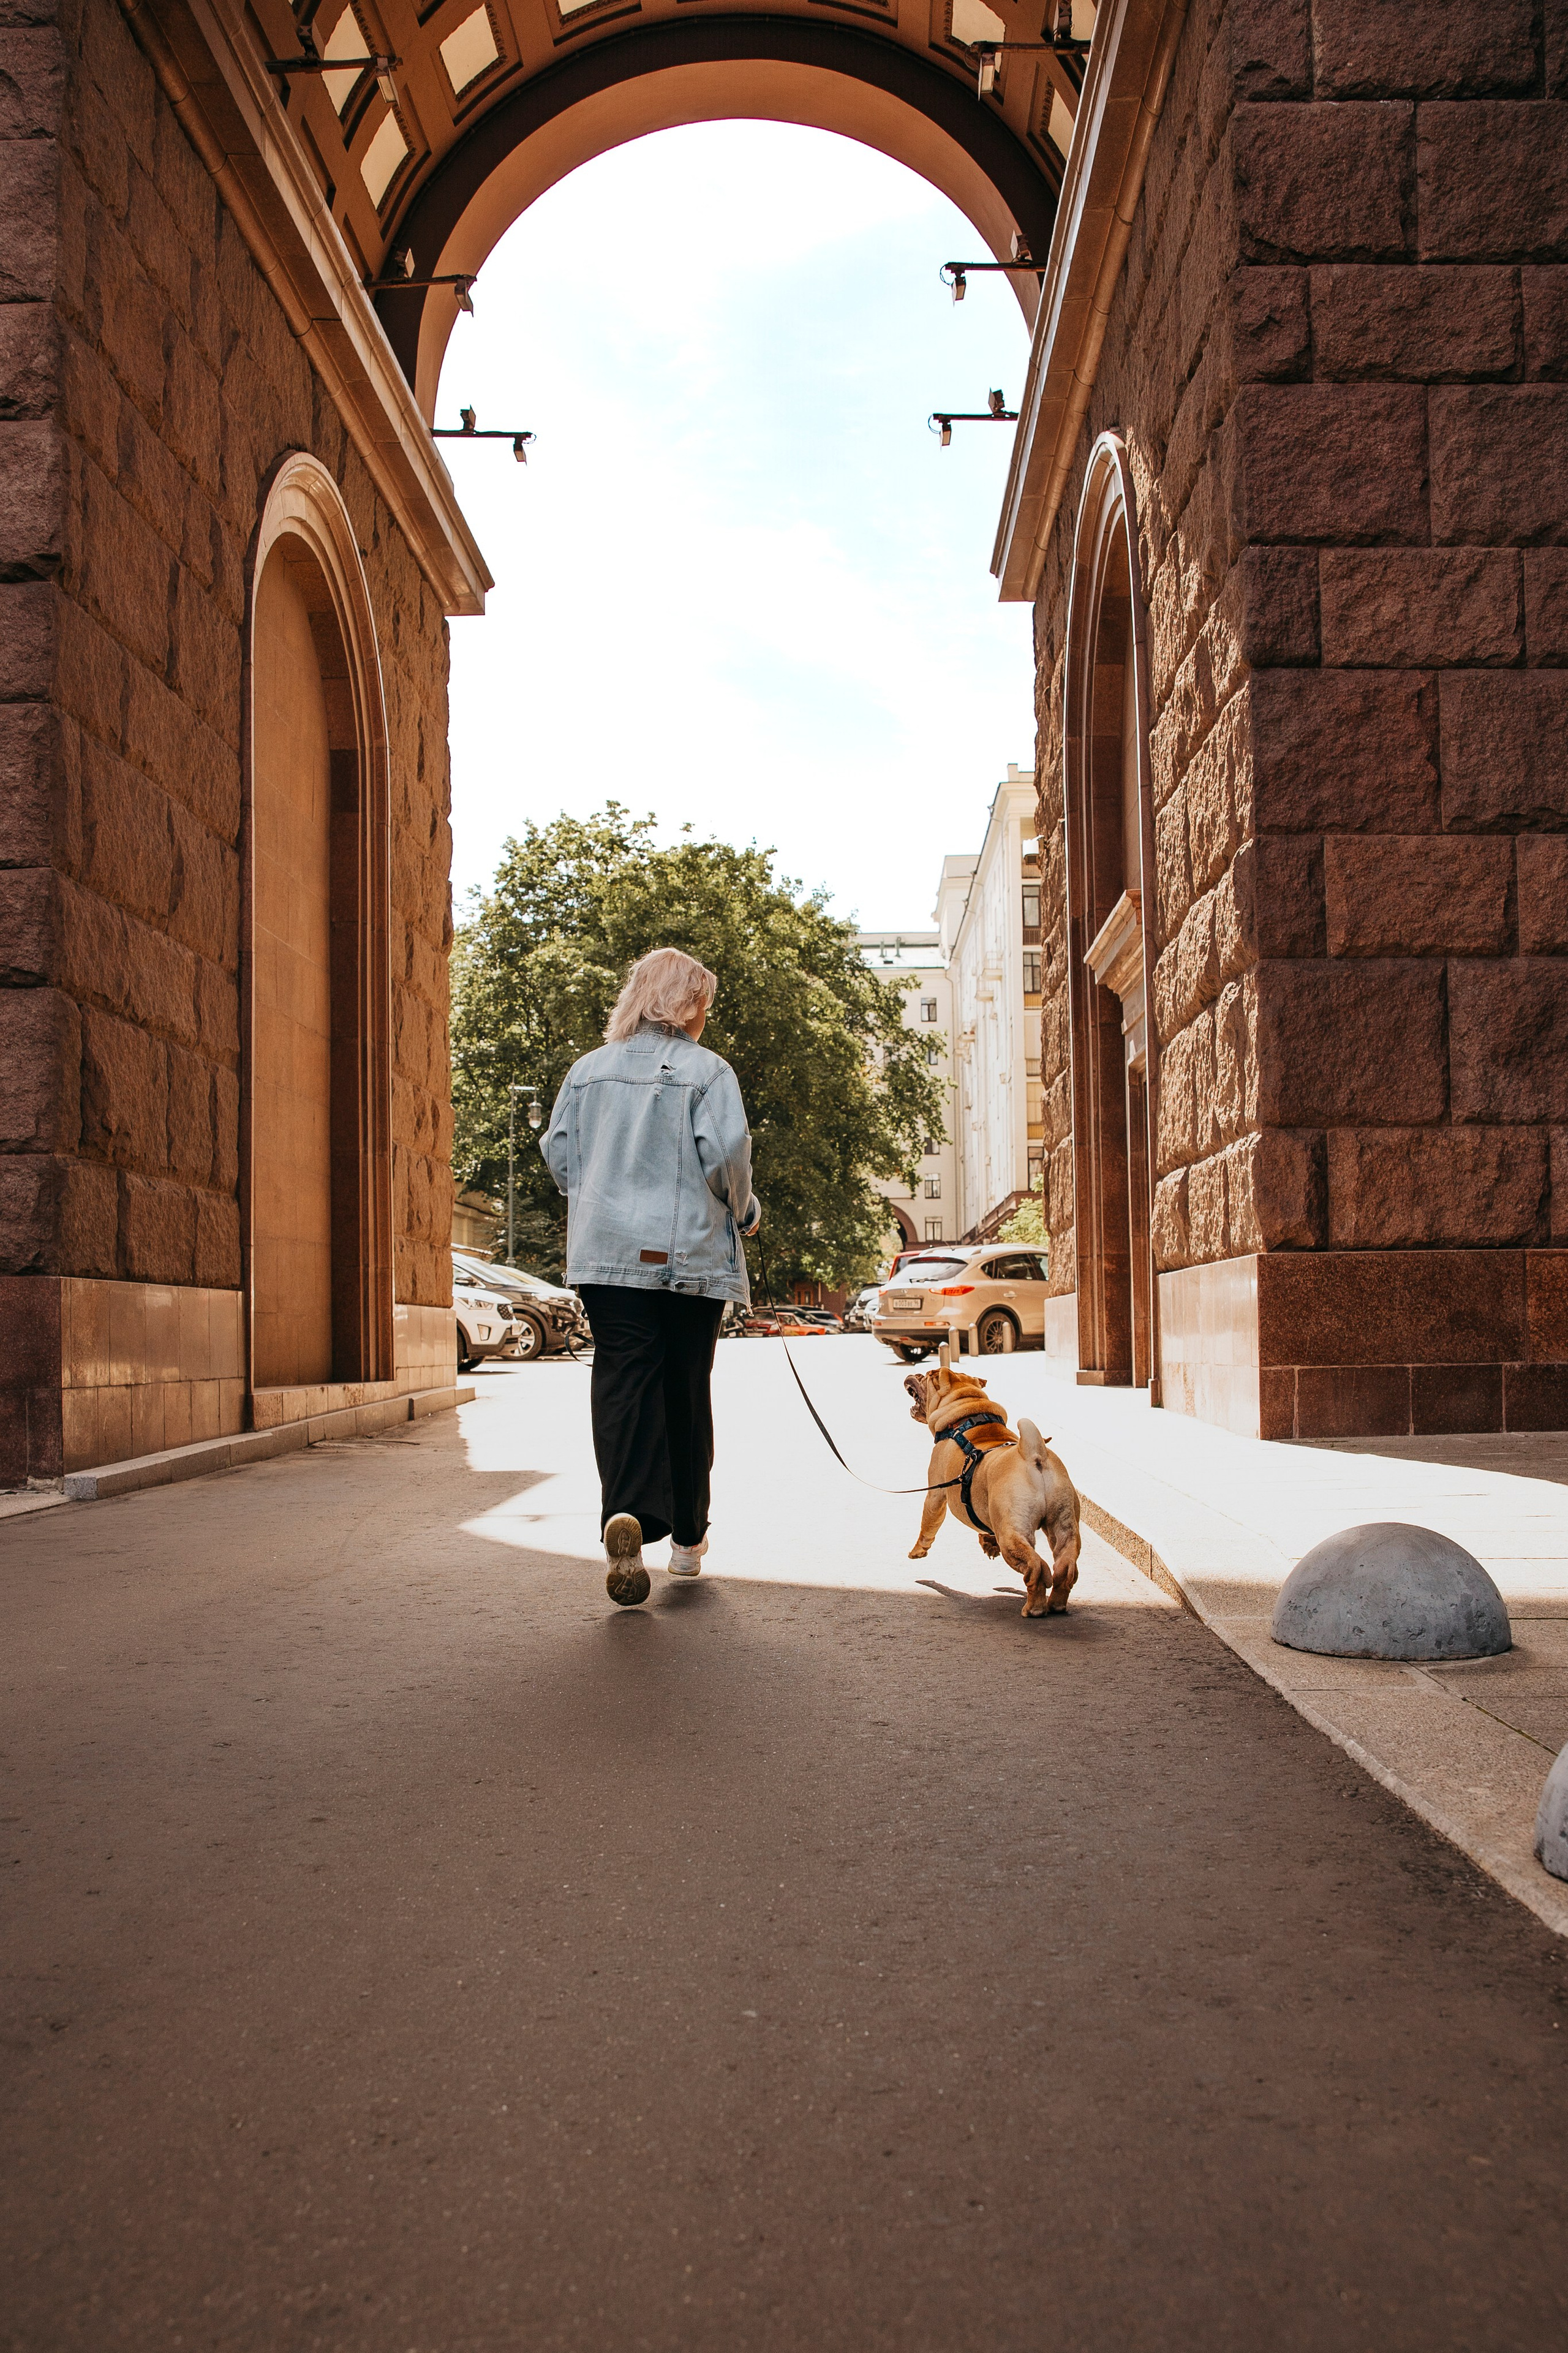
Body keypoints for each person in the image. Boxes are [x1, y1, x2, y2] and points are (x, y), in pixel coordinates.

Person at [540, 947, 761, 1607]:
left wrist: (600, 1194)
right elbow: (724, 1153)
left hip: (607, 1261)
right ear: (688, 1003)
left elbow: (558, 1154)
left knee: (623, 1383)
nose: (705, 1017)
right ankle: (688, 1541)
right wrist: (744, 1210)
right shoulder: (707, 1071)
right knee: (684, 1389)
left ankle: (626, 1510)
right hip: (686, 1260)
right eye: (704, 1005)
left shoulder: (587, 1073)